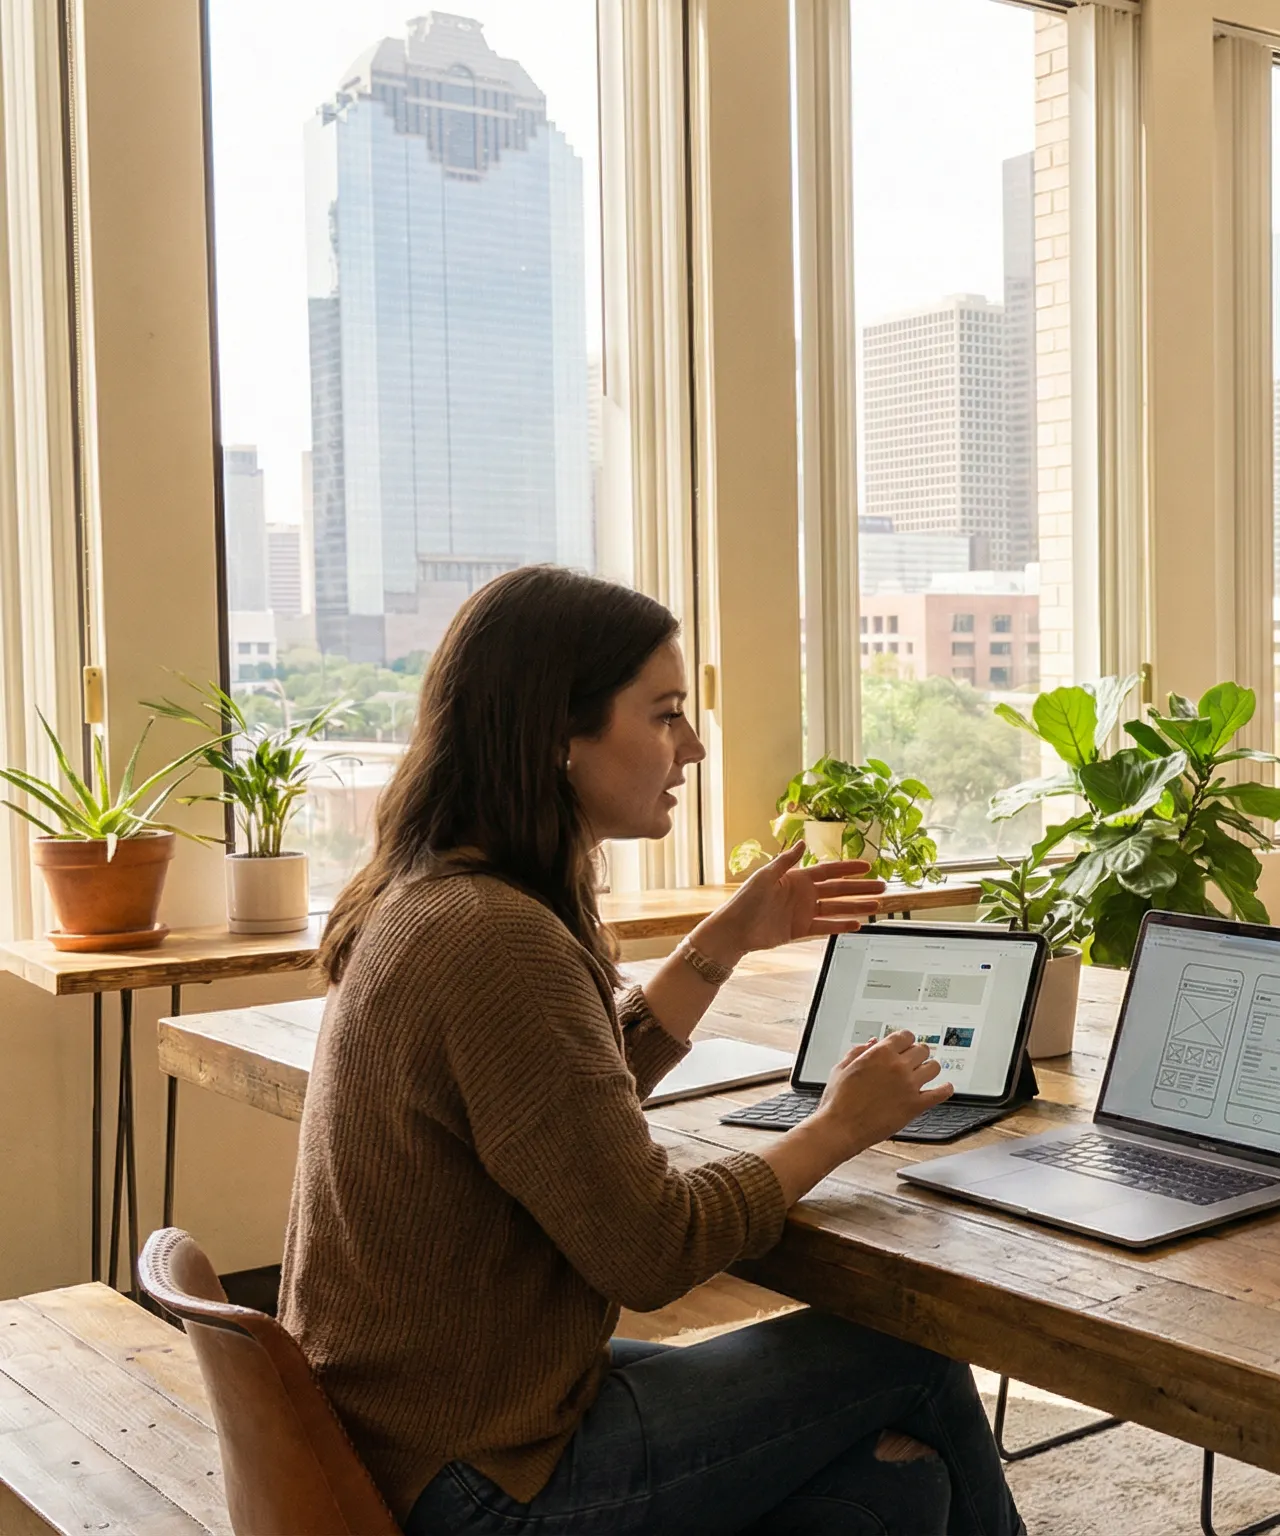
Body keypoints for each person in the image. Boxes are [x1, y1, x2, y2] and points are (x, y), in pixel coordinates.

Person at [285, 566, 1021, 1536]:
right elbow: (650, 1246)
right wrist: (838, 1129)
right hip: (477, 1481)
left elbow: (552, 1111)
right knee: (912, 1354)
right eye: (665, 714)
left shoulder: (433, 898)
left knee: (892, 1495)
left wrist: (719, 943)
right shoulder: (492, 936)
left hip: (416, 1427)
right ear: (559, 736)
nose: (695, 747)